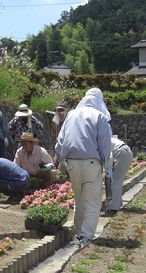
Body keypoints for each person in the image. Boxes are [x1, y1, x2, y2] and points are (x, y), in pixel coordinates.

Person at [55, 89, 112, 248]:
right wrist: (107, 165)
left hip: (72, 163)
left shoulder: (71, 114)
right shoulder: (99, 116)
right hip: (91, 164)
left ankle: (79, 232)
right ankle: (86, 235)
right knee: (93, 202)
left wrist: (60, 158)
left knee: (79, 199)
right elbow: (104, 144)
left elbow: (61, 139)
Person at [103, 137, 133, 217]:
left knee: (115, 180)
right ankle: (118, 204)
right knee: (117, 180)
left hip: (122, 153)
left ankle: (113, 208)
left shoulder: (102, 141)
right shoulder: (104, 138)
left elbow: (109, 157)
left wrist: (107, 169)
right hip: (125, 151)